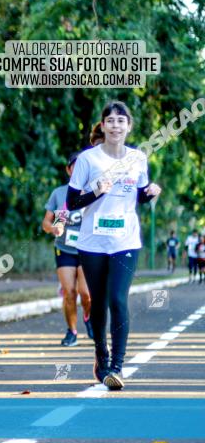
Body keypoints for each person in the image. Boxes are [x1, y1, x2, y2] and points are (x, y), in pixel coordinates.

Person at [67, 101, 161, 391]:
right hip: (92, 242)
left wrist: (150, 192)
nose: (116, 125)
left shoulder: (137, 159)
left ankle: (117, 366)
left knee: (118, 299)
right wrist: (96, 191)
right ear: (103, 126)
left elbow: (139, 196)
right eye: (111, 120)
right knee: (98, 302)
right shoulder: (88, 160)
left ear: (128, 127)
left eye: (122, 120)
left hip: (126, 241)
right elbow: (71, 203)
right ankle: (101, 356)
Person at [42, 152, 93, 346]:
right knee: (69, 291)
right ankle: (72, 331)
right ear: (69, 170)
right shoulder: (59, 193)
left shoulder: (93, 192)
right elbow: (45, 222)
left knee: (86, 294)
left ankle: (88, 317)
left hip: (87, 250)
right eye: (75, 166)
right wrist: (53, 227)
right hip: (64, 249)